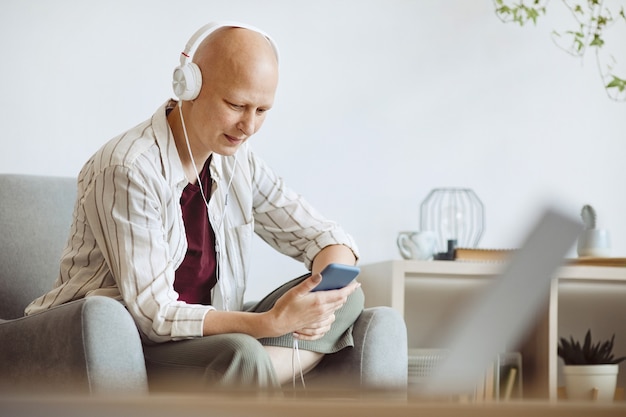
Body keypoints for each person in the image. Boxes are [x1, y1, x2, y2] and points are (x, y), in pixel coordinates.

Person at [25, 21, 363, 391]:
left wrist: (323, 297)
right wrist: (271, 323)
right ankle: (253, 374)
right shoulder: (127, 168)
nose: (249, 126)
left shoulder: (238, 160)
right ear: (189, 85)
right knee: (242, 353)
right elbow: (154, 315)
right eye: (236, 105)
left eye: (262, 110)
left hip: (207, 336)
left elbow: (324, 237)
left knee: (349, 295)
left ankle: (253, 378)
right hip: (134, 340)